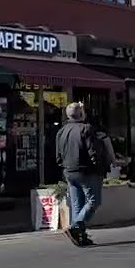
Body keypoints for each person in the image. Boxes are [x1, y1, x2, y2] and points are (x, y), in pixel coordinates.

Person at [54, 102, 108, 247]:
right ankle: (76, 227)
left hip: (69, 171)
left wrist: (64, 166)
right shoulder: (86, 128)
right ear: (81, 114)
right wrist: (99, 168)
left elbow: (58, 156)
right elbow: (93, 152)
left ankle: (80, 236)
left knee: (77, 204)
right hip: (86, 170)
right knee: (93, 201)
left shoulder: (62, 131)